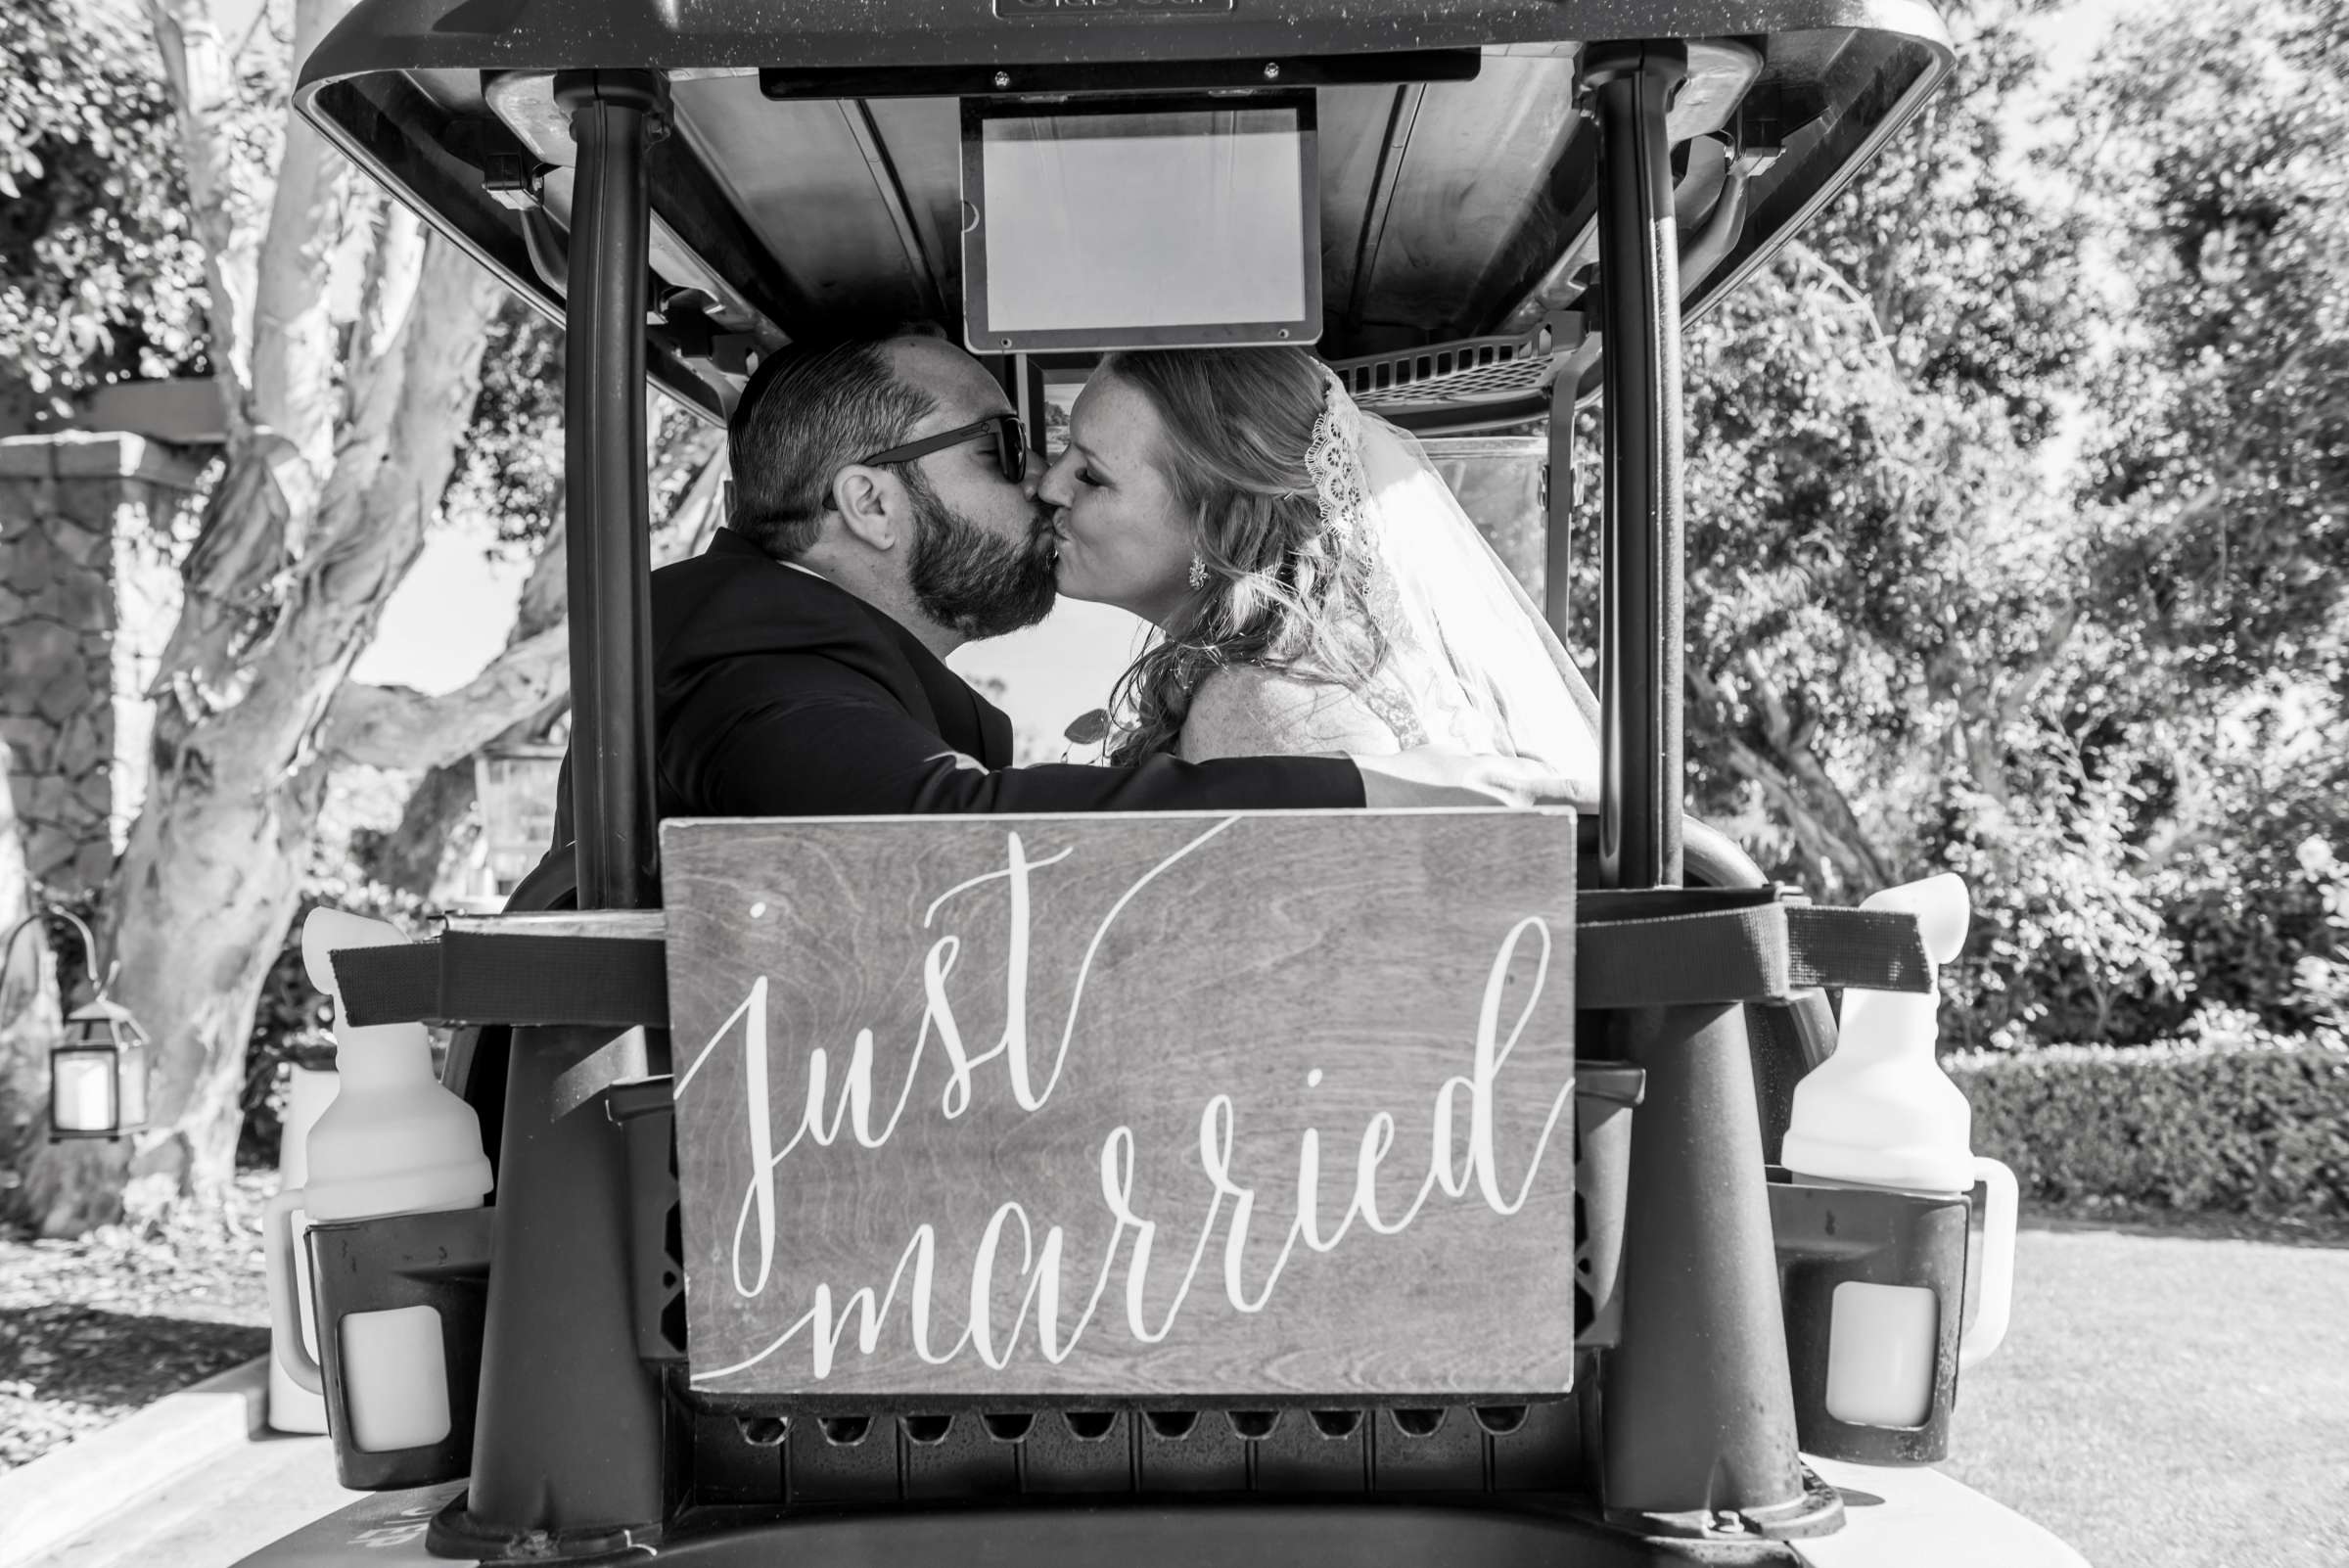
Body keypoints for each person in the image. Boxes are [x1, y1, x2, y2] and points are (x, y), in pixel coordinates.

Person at [533, 328, 1577, 885]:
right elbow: (934, 837)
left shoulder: (786, 651)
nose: (1039, 485)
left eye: (1084, 465)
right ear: (871, 503)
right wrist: (1368, 792)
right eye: (1002, 449)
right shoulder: (750, 651)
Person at [1036, 347, 1604, 789]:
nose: (1048, 486)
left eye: (1091, 475)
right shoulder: (1311, 665)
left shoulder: (1262, 707)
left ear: (1217, 521)